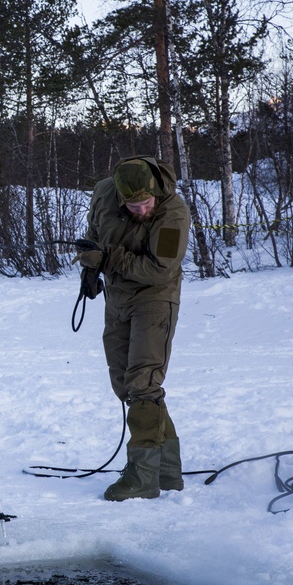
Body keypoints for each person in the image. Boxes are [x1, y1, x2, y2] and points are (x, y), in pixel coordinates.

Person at [73, 155, 190, 502]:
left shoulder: (174, 212)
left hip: (155, 297)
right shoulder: (104, 193)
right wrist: (90, 268)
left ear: (155, 190)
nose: (141, 211)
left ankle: (142, 475)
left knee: (144, 381)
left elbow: (160, 269)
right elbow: (95, 234)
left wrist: (108, 259)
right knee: (125, 383)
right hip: (118, 297)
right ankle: (167, 470)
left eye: (146, 204)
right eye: (133, 205)